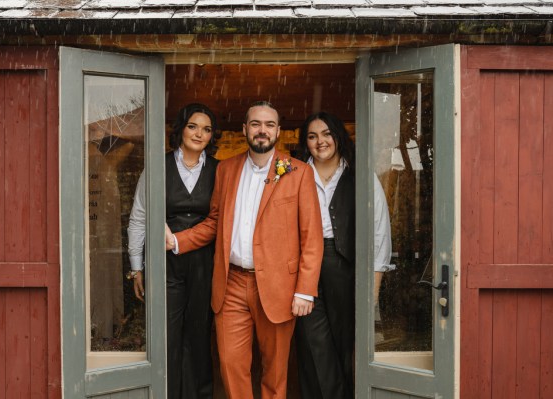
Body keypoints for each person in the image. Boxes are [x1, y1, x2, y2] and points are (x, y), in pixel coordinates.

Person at [166, 101, 324, 399]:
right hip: (231, 284)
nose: (261, 130)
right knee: (231, 365)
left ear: (278, 131)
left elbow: (311, 237)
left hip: (279, 286)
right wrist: (177, 240)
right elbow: (214, 223)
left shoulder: (297, 172)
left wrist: (305, 290)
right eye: (255, 124)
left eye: (268, 125)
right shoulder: (226, 169)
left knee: (275, 371)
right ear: (244, 129)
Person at [294, 111, 393, 399]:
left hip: (346, 267)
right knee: (313, 344)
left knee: (345, 344)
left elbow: (379, 231)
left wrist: (373, 289)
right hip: (304, 267)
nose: (320, 141)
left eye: (326, 134)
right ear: (305, 143)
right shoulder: (295, 173)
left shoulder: (360, 174)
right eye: (312, 136)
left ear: (338, 137)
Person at [127, 103, 220, 399]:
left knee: (199, 332)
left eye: (206, 129)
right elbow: (139, 216)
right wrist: (136, 267)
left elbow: (223, 220)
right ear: (180, 129)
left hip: (206, 262)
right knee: (167, 335)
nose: (199, 134)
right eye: (193, 126)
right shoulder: (157, 166)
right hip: (164, 262)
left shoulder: (220, 170)